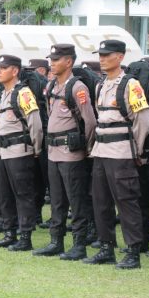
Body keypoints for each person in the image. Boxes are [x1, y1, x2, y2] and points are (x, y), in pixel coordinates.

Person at [84, 40, 149, 269]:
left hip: (121, 152)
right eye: (100, 55)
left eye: (107, 55)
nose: (102, 59)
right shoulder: (100, 85)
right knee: (100, 201)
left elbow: (142, 121)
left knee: (126, 202)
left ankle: (133, 251)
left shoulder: (130, 85)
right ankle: (106, 247)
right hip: (101, 151)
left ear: (120, 57)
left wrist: (136, 149)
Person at [34, 44, 96, 261]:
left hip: (71, 152)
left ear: (68, 62)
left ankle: (79, 244)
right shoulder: (51, 86)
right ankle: (56, 241)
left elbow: (89, 122)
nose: (52, 62)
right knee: (57, 200)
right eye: (51, 58)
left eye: (56, 59)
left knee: (76, 200)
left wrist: (86, 148)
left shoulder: (77, 87)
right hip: (53, 151)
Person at [0, 54, 43, 251]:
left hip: (20, 151)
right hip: (3, 151)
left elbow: (35, 122)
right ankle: (9, 232)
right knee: (5, 194)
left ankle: (25, 236)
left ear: (15, 71)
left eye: (3, 68)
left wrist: (35, 148)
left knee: (23, 194)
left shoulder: (23, 93)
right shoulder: (3, 93)